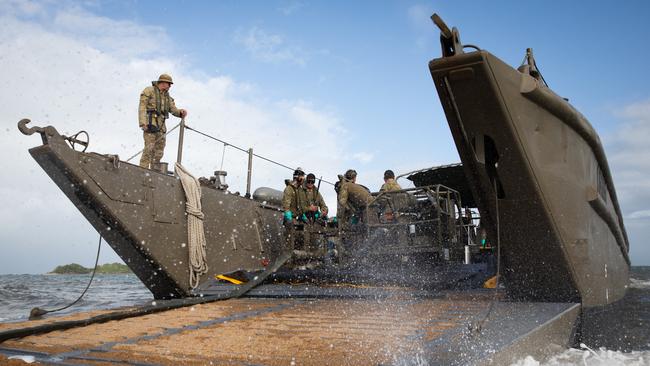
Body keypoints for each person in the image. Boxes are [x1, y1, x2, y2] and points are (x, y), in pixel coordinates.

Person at [138, 74, 187, 169]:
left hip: (161, 127)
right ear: (164, 83)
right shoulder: (149, 91)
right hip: (150, 124)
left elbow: (173, 110)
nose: (170, 86)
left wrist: (180, 112)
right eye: (169, 84)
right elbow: (142, 107)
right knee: (148, 149)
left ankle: (154, 171)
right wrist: (142, 123)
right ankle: (142, 170)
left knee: (159, 151)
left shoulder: (167, 97)